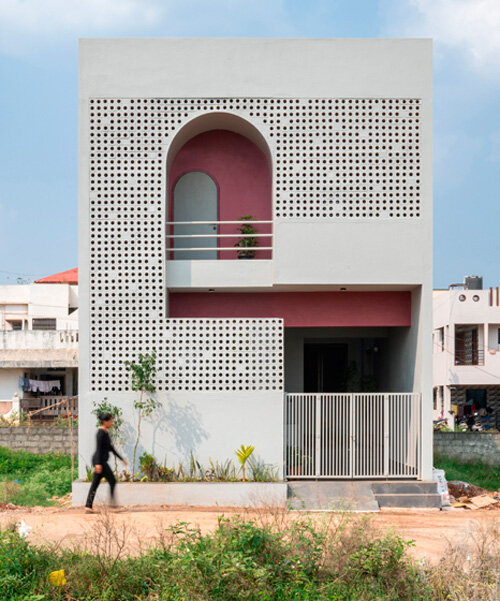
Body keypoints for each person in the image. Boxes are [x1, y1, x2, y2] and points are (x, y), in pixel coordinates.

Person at [85, 412, 128, 513]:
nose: (112, 423)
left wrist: (121, 459)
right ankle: (112, 505)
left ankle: (88, 506)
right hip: (100, 461)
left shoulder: (105, 432)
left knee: (95, 483)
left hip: (100, 461)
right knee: (112, 480)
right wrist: (98, 464)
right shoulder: (101, 433)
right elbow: (99, 449)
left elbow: (110, 448)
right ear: (105, 422)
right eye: (111, 421)